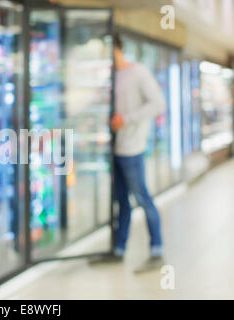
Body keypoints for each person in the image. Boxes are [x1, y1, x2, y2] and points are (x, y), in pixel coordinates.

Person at [102, 34, 167, 273]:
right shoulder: (111, 76)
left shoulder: (138, 72)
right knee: (122, 202)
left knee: (142, 198)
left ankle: (156, 249)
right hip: (115, 148)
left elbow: (158, 104)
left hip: (133, 148)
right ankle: (119, 249)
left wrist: (127, 120)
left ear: (117, 48)